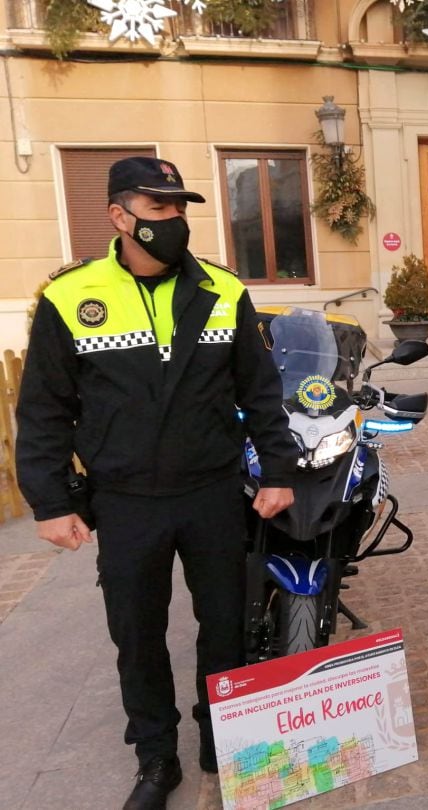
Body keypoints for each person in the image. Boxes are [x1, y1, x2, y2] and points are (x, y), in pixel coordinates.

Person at [16, 157, 297, 810]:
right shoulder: (69, 297)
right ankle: (156, 757)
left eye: (180, 209)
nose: (175, 222)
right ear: (119, 216)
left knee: (225, 626)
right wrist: (51, 502)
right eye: (159, 209)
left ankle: (222, 741)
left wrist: (278, 469)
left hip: (211, 495)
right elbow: (44, 409)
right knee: (136, 635)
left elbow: (260, 389)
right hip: (126, 501)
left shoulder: (223, 291)